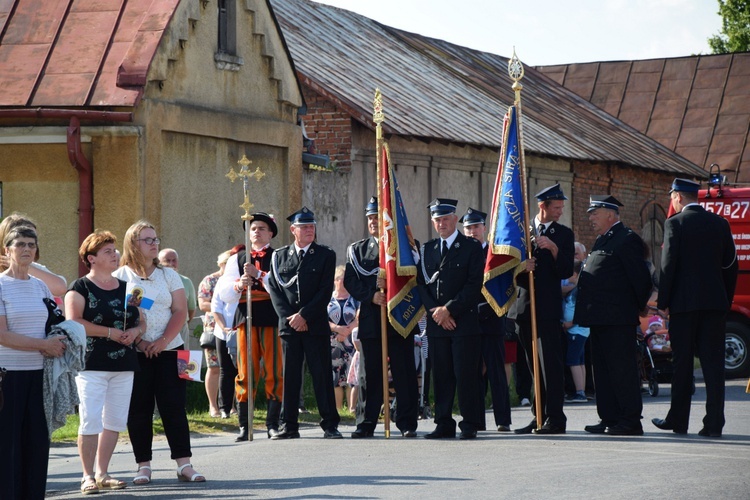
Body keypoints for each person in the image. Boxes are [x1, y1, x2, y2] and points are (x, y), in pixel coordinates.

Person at [113, 221, 205, 483]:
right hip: (135, 350)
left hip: (171, 349)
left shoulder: (169, 275)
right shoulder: (121, 276)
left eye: (156, 239)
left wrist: (163, 341)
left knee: (174, 408)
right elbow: (119, 315)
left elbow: (180, 311)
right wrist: (140, 343)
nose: (155, 244)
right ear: (133, 243)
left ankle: (184, 464)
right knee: (138, 410)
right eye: (148, 240)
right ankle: (143, 465)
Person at [652, 178, 738, 438]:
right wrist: (724, 299)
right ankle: (714, 424)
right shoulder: (719, 223)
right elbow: (731, 265)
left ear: (678, 197)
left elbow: (668, 267)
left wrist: (663, 303)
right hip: (714, 305)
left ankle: (678, 420)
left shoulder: (675, 223)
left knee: (682, 364)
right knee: (714, 366)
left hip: (684, 306)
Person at [65, 230, 144, 494]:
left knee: (114, 421)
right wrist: (110, 332)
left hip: (125, 363)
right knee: (90, 420)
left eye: (115, 250)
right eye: (108, 251)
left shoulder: (130, 287)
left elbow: (141, 319)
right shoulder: (79, 288)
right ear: (92, 258)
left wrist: (134, 333)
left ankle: (103, 473)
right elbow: (74, 322)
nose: (115, 254)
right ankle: (87, 476)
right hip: (91, 364)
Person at [575, 195, 652, 436]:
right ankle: (608, 417)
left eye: (594, 213)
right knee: (603, 372)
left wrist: (639, 307)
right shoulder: (602, 240)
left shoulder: (626, 239)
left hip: (618, 319)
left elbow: (641, 279)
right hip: (599, 318)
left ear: (610, 214)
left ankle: (630, 420)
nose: (590, 218)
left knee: (622, 370)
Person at [0, 225, 67, 499]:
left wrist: (62, 339)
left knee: (37, 445)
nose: (26, 249)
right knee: (8, 447)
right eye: (20, 245)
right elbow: (2, 336)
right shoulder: (1, 285)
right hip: (8, 377)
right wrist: (44, 345)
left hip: (40, 377)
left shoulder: (40, 285)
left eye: (31, 245)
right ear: (7, 251)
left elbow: (54, 323)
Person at [344, 196, 419, 438]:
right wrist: (371, 296)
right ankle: (366, 422)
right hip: (371, 319)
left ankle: (407, 422)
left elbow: (415, 278)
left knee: (404, 371)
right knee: (369, 374)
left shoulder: (407, 246)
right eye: (370, 218)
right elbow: (350, 281)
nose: (374, 222)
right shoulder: (357, 250)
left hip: (400, 316)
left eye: (378, 217)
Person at [267, 207, 342, 439]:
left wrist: (305, 316)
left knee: (321, 374)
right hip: (290, 326)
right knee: (290, 376)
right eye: (304, 227)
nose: (310, 230)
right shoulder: (279, 256)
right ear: (293, 230)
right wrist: (292, 319)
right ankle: (288, 425)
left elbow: (324, 291)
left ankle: (330, 424)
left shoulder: (325, 255)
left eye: (312, 226)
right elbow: (276, 291)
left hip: (315, 324)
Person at [417, 198, 484, 440]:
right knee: (442, 375)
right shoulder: (428, 249)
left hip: (463, 322)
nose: (442, 223)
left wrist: (450, 310)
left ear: (455, 219)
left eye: (446, 219)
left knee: (465, 374)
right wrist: (437, 312)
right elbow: (422, 285)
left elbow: (474, 284)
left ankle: (469, 423)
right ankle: (443, 422)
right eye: (437, 220)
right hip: (437, 323)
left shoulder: (471, 247)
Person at [511, 184, 574, 435]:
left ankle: (556, 418)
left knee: (550, 364)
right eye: (556, 207)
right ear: (542, 206)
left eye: (561, 207)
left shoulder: (563, 234)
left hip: (547, 309)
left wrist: (554, 249)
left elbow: (566, 271)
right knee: (533, 365)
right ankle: (538, 416)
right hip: (524, 309)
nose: (560, 212)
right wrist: (521, 266)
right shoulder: (520, 232)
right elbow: (505, 268)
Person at [215, 213, 284, 441]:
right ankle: (245, 426)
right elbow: (223, 292)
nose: (256, 232)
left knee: (274, 370)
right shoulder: (238, 258)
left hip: (271, 317)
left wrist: (259, 275)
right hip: (245, 317)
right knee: (246, 371)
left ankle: (273, 424)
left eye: (261, 228)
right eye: (253, 228)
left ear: (270, 233)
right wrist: (238, 284)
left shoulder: (278, 256)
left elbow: (281, 287)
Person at [460, 207, 512, 432]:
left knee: (496, 372)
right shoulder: (460, 252)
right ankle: (477, 420)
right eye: (468, 227)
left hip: (491, 319)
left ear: (484, 228)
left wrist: (486, 310)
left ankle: (502, 420)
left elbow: (501, 286)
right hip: (468, 321)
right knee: (472, 374)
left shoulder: (493, 253)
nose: (472, 231)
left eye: (476, 227)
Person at [197, 250, 232, 418]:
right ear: (220, 264)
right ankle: (213, 406)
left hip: (233, 327)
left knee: (234, 368)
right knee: (214, 367)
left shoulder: (236, 279)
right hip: (213, 329)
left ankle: (231, 405)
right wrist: (220, 307)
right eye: (227, 263)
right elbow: (203, 304)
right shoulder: (210, 280)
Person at [0, 213, 67, 296]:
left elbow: (60, 288)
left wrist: (23, 267)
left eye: (33, 241)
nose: (28, 248)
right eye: (21, 243)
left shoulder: (33, 267)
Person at [328, 264, 358, 411]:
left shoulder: (355, 298)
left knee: (352, 376)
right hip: (332, 342)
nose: (344, 282)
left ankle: (352, 409)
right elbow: (321, 317)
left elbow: (360, 315)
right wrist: (336, 329)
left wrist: (346, 331)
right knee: (336, 378)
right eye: (341, 279)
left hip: (352, 342)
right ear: (335, 280)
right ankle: (338, 410)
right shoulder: (328, 298)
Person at [561, 260, 589, 403]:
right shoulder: (575, 288)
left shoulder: (578, 290)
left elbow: (580, 311)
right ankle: (582, 390)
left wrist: (569, 324)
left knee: (573, 362)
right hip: (580, 331)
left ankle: (580, 392)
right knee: (580, 361)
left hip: (576, 330)